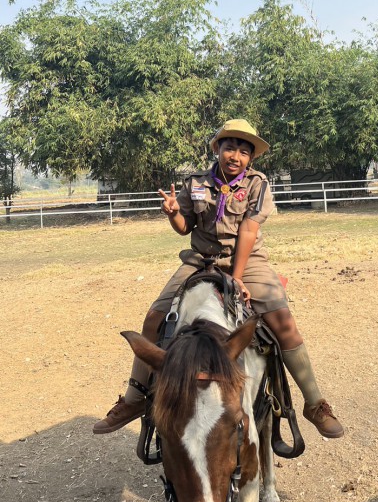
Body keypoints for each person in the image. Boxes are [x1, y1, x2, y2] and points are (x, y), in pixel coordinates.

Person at [93, 119, 343, 439]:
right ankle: (134, 398)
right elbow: (185, 227)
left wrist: (236, 278)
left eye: (243, 151)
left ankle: (314, 403)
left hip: (247, 262)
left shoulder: (257, 184)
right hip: (201, 260)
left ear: (250, 158)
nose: (235, 156)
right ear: (217, 149)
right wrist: (173, 213)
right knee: (155, 317)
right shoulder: (196, 183)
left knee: (282, 320)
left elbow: (249, 230)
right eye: (229, 148)